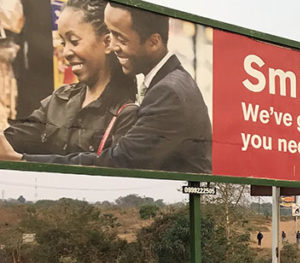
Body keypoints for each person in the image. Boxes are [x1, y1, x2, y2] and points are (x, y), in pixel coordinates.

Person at [0, 2, 212, 173]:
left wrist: (23, 160)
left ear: (154, 42)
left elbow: (120, 162)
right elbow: (22, 133)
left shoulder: (167, 93)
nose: (114, 45)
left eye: (119, 37)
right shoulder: (63, 97)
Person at [2, 0, 138, 158]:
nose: (66, 52)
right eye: (62, 42)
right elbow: (17, 136)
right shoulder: (60, 98)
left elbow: (104, 169)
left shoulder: (126, 114)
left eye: (74, 41)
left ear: (107, 42)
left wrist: (20, 160)